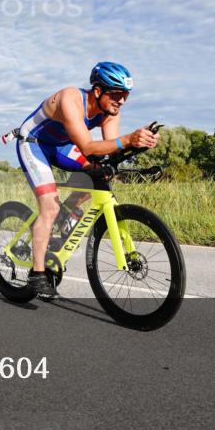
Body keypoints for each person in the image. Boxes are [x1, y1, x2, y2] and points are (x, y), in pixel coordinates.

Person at [11, 62, 158, 299]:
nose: (121, 101)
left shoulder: (110, 112)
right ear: (98, 91)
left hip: (62, 146)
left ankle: (64, 214)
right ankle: (37, 274)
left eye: (126, 96)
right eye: (117, 94)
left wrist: (139, 143)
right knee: (49, 206)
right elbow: (89, 146)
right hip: (34, 143)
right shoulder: (71, 98)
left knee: (99, 174)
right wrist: (129, 138)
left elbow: (109, 150)